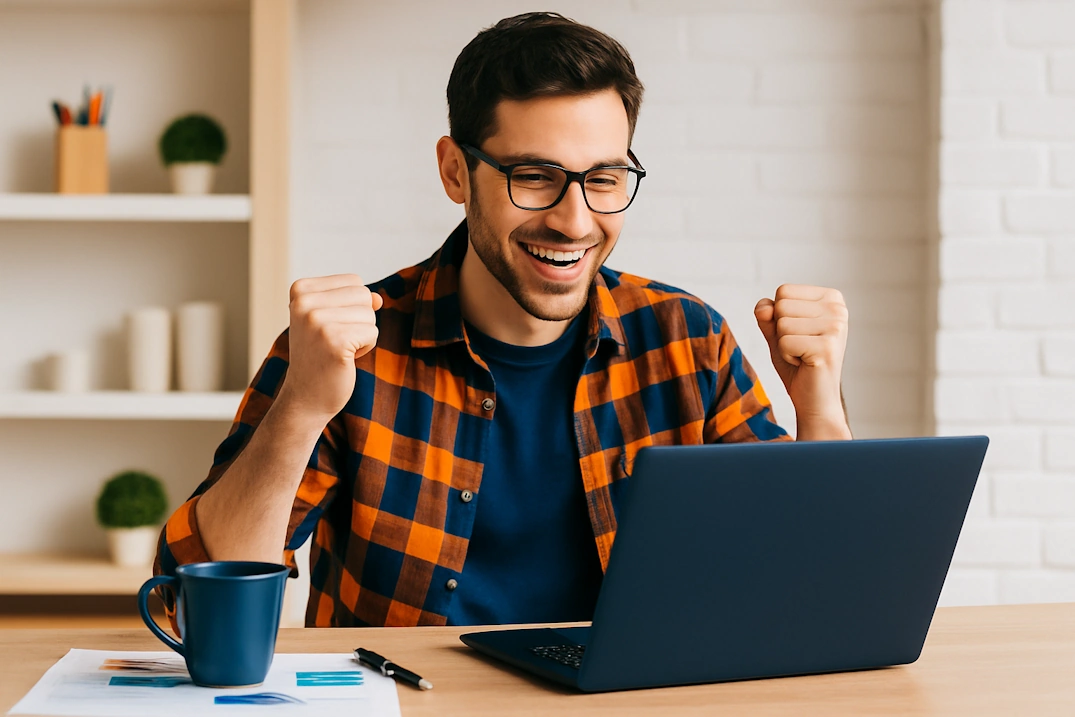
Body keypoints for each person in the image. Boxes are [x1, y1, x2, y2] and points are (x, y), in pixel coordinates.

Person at [155, 12, 852, 628]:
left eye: (603, 179)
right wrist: (302, 408)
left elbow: (813, 595)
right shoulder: (346, 350)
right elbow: (188, 611)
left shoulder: (687, 341)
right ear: (456, 173)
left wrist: (818, 405)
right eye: (535, 176)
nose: (575, 221)